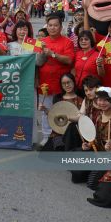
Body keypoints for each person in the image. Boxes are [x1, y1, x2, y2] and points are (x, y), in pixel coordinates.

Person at [36, 14, 75, 145]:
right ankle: (46, 136)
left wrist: (53, 54)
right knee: (45, 111)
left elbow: (69, 60)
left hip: (62, 84)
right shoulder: (41, 42)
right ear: (47, 26)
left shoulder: (67, 42)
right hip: (45, 83)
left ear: (61, 27)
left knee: (61, 110)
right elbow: (37, 62)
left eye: (55, 25)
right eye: (50, 25)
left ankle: (62, 136)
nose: (52, 28)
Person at [42, 73, 82, 151]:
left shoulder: (80, 100)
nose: (67, 85)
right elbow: (54, 115)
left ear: (73, 82)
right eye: (64, 83)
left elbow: (81, 119)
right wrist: (45, 110)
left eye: (68, 82)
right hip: (58, 132)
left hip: (73, 134)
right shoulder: (57, 98)